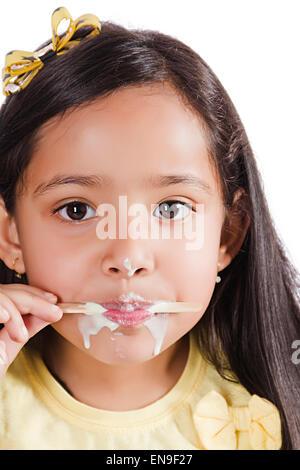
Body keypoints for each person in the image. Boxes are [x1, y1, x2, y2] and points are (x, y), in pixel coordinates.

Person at [0, 7, 298, 450]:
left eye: (172, 209)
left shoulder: (277, 404)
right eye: (77, 210)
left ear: (227, 235)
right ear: (12, 237)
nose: (127, 258)